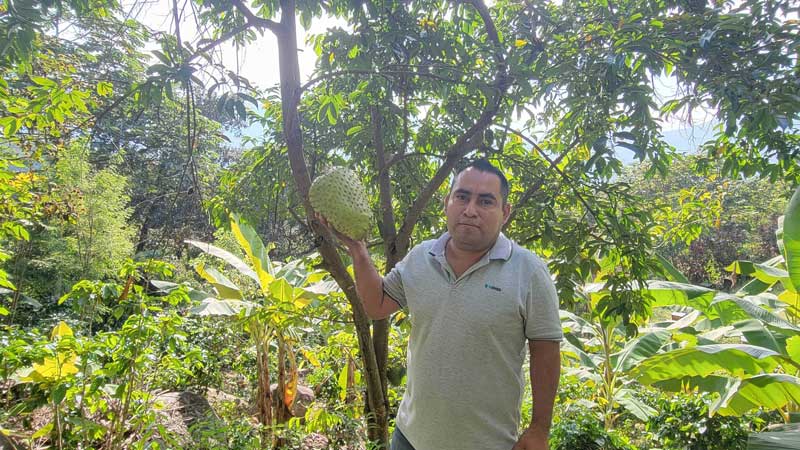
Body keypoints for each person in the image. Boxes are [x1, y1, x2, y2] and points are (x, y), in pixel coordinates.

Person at [318, 159, 562, 450]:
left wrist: (539, 429)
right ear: (447, 202)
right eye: (462, 196)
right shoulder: (422, 257)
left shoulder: (529, 270)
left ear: (505, 212)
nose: (470, 210)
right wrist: (357, 250)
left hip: (487, 443)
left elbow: (545, 349)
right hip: (410, 437)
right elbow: (377, 305)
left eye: (485, 201)